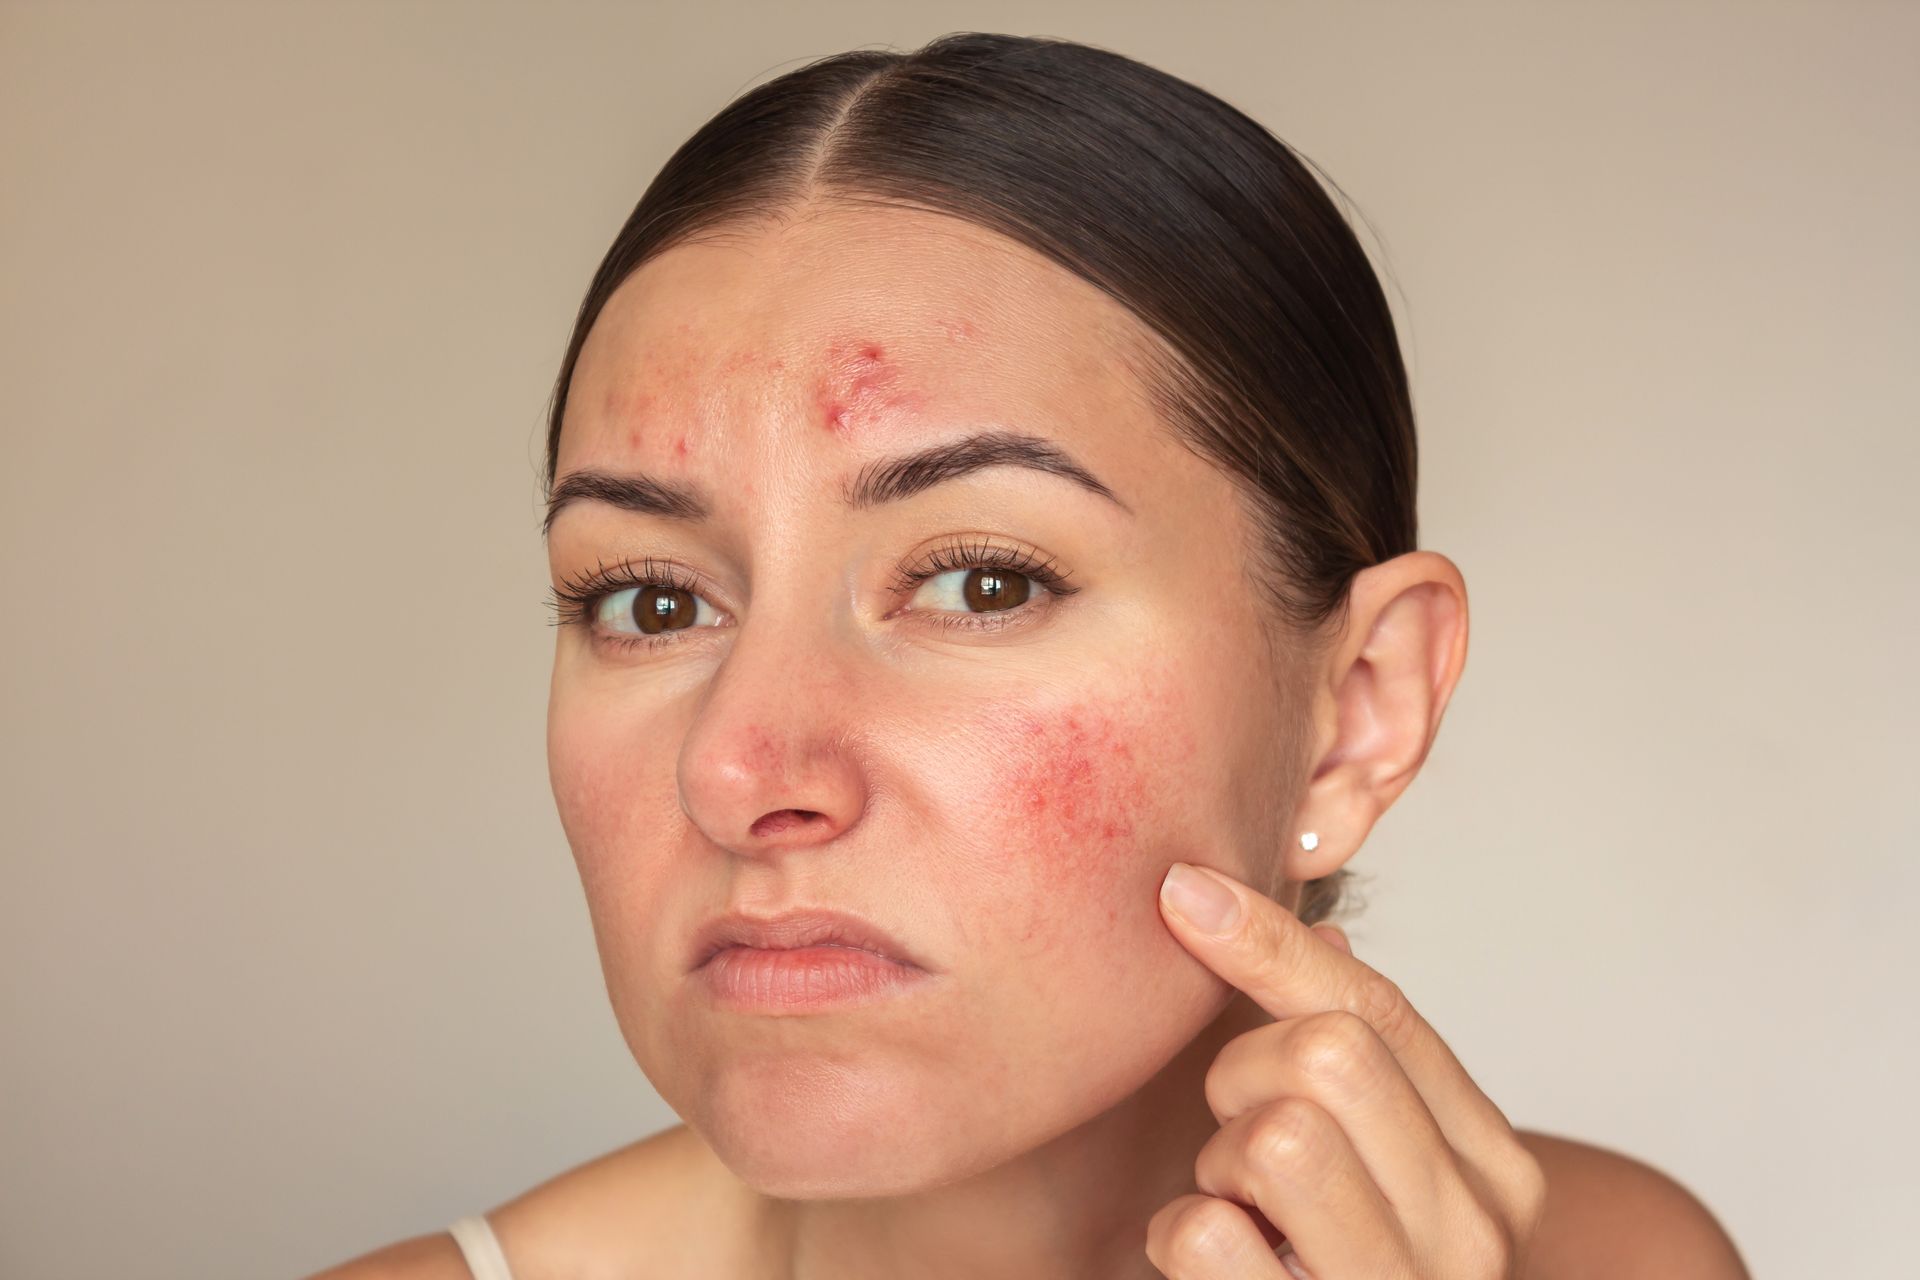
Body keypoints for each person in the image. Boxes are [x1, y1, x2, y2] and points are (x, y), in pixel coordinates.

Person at [309, 31, 1748, 1280]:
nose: (741, 770)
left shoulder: (1618, 1264)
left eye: (984, 581)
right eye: (651, 605)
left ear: (1355, 710)